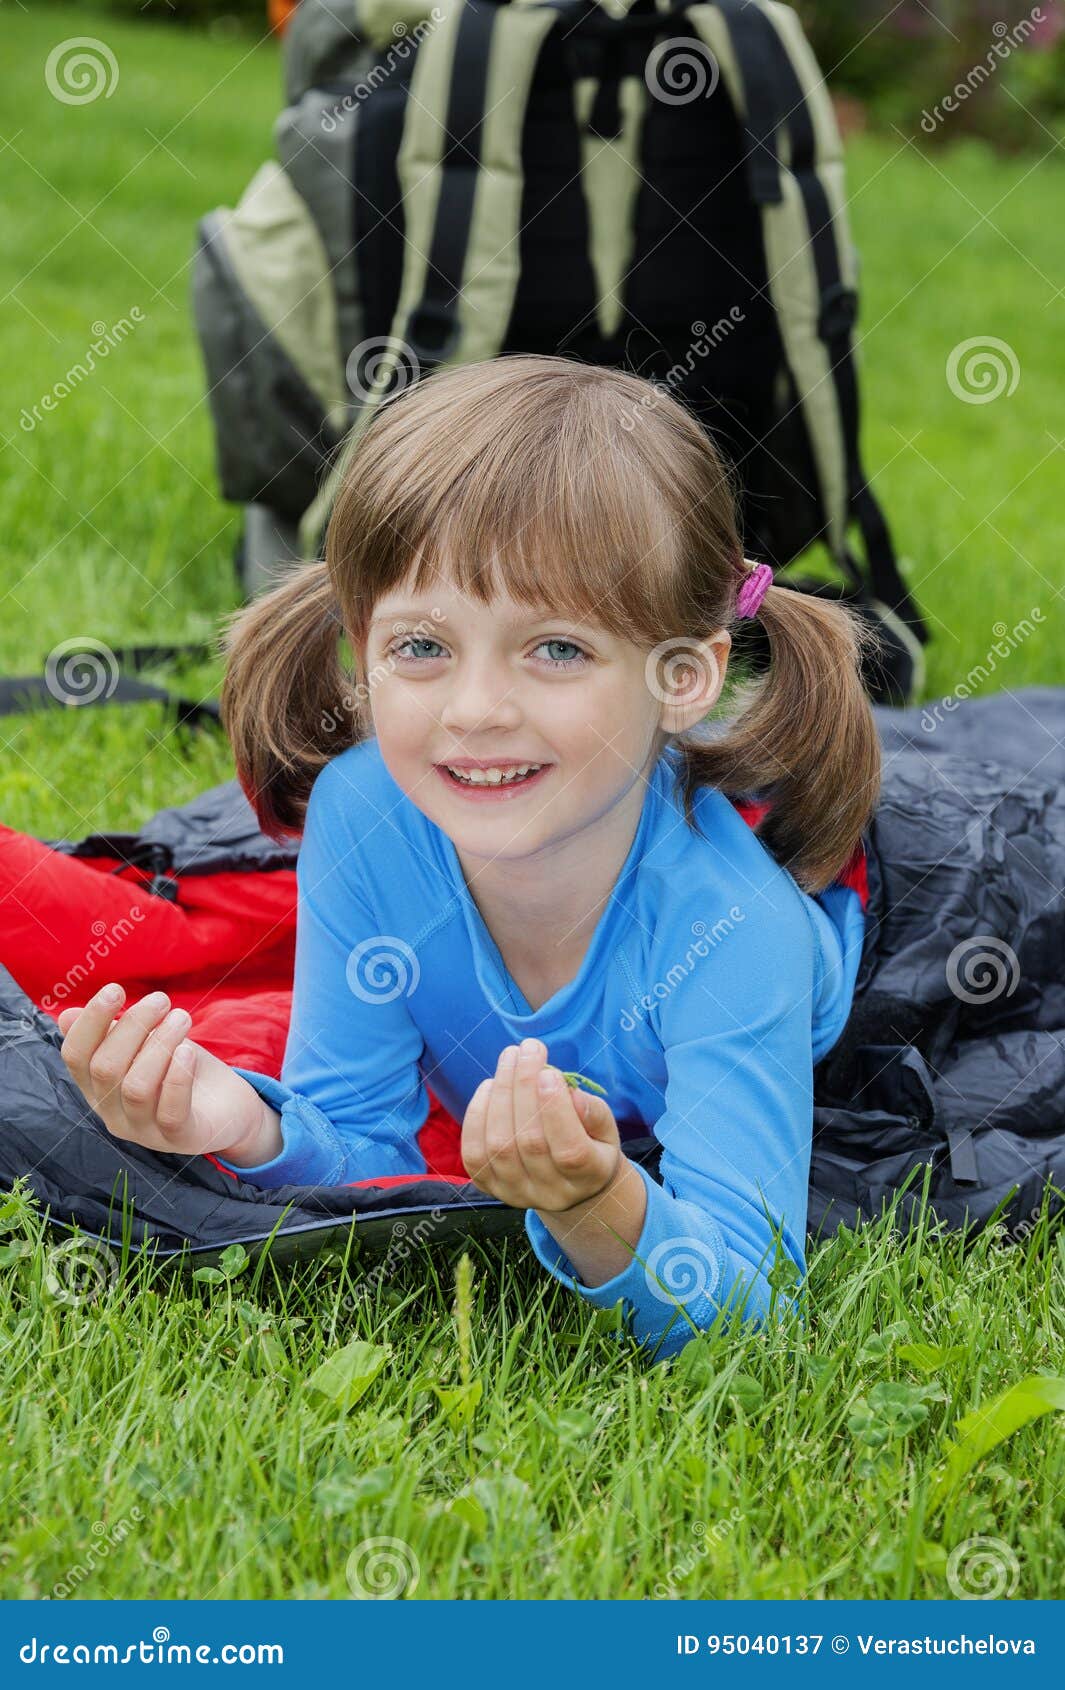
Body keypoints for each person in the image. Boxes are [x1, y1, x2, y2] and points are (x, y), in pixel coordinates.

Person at [58, 355, 879, 1361]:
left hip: (860, 954)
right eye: (422, 647)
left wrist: (599, 1199)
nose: (476, 711)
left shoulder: (732, 932)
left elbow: (754, 1309)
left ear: (682, 677)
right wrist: (241, 1120)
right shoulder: (364, 810)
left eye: (557, 649)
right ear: (362, 651)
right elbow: (361, 1142)